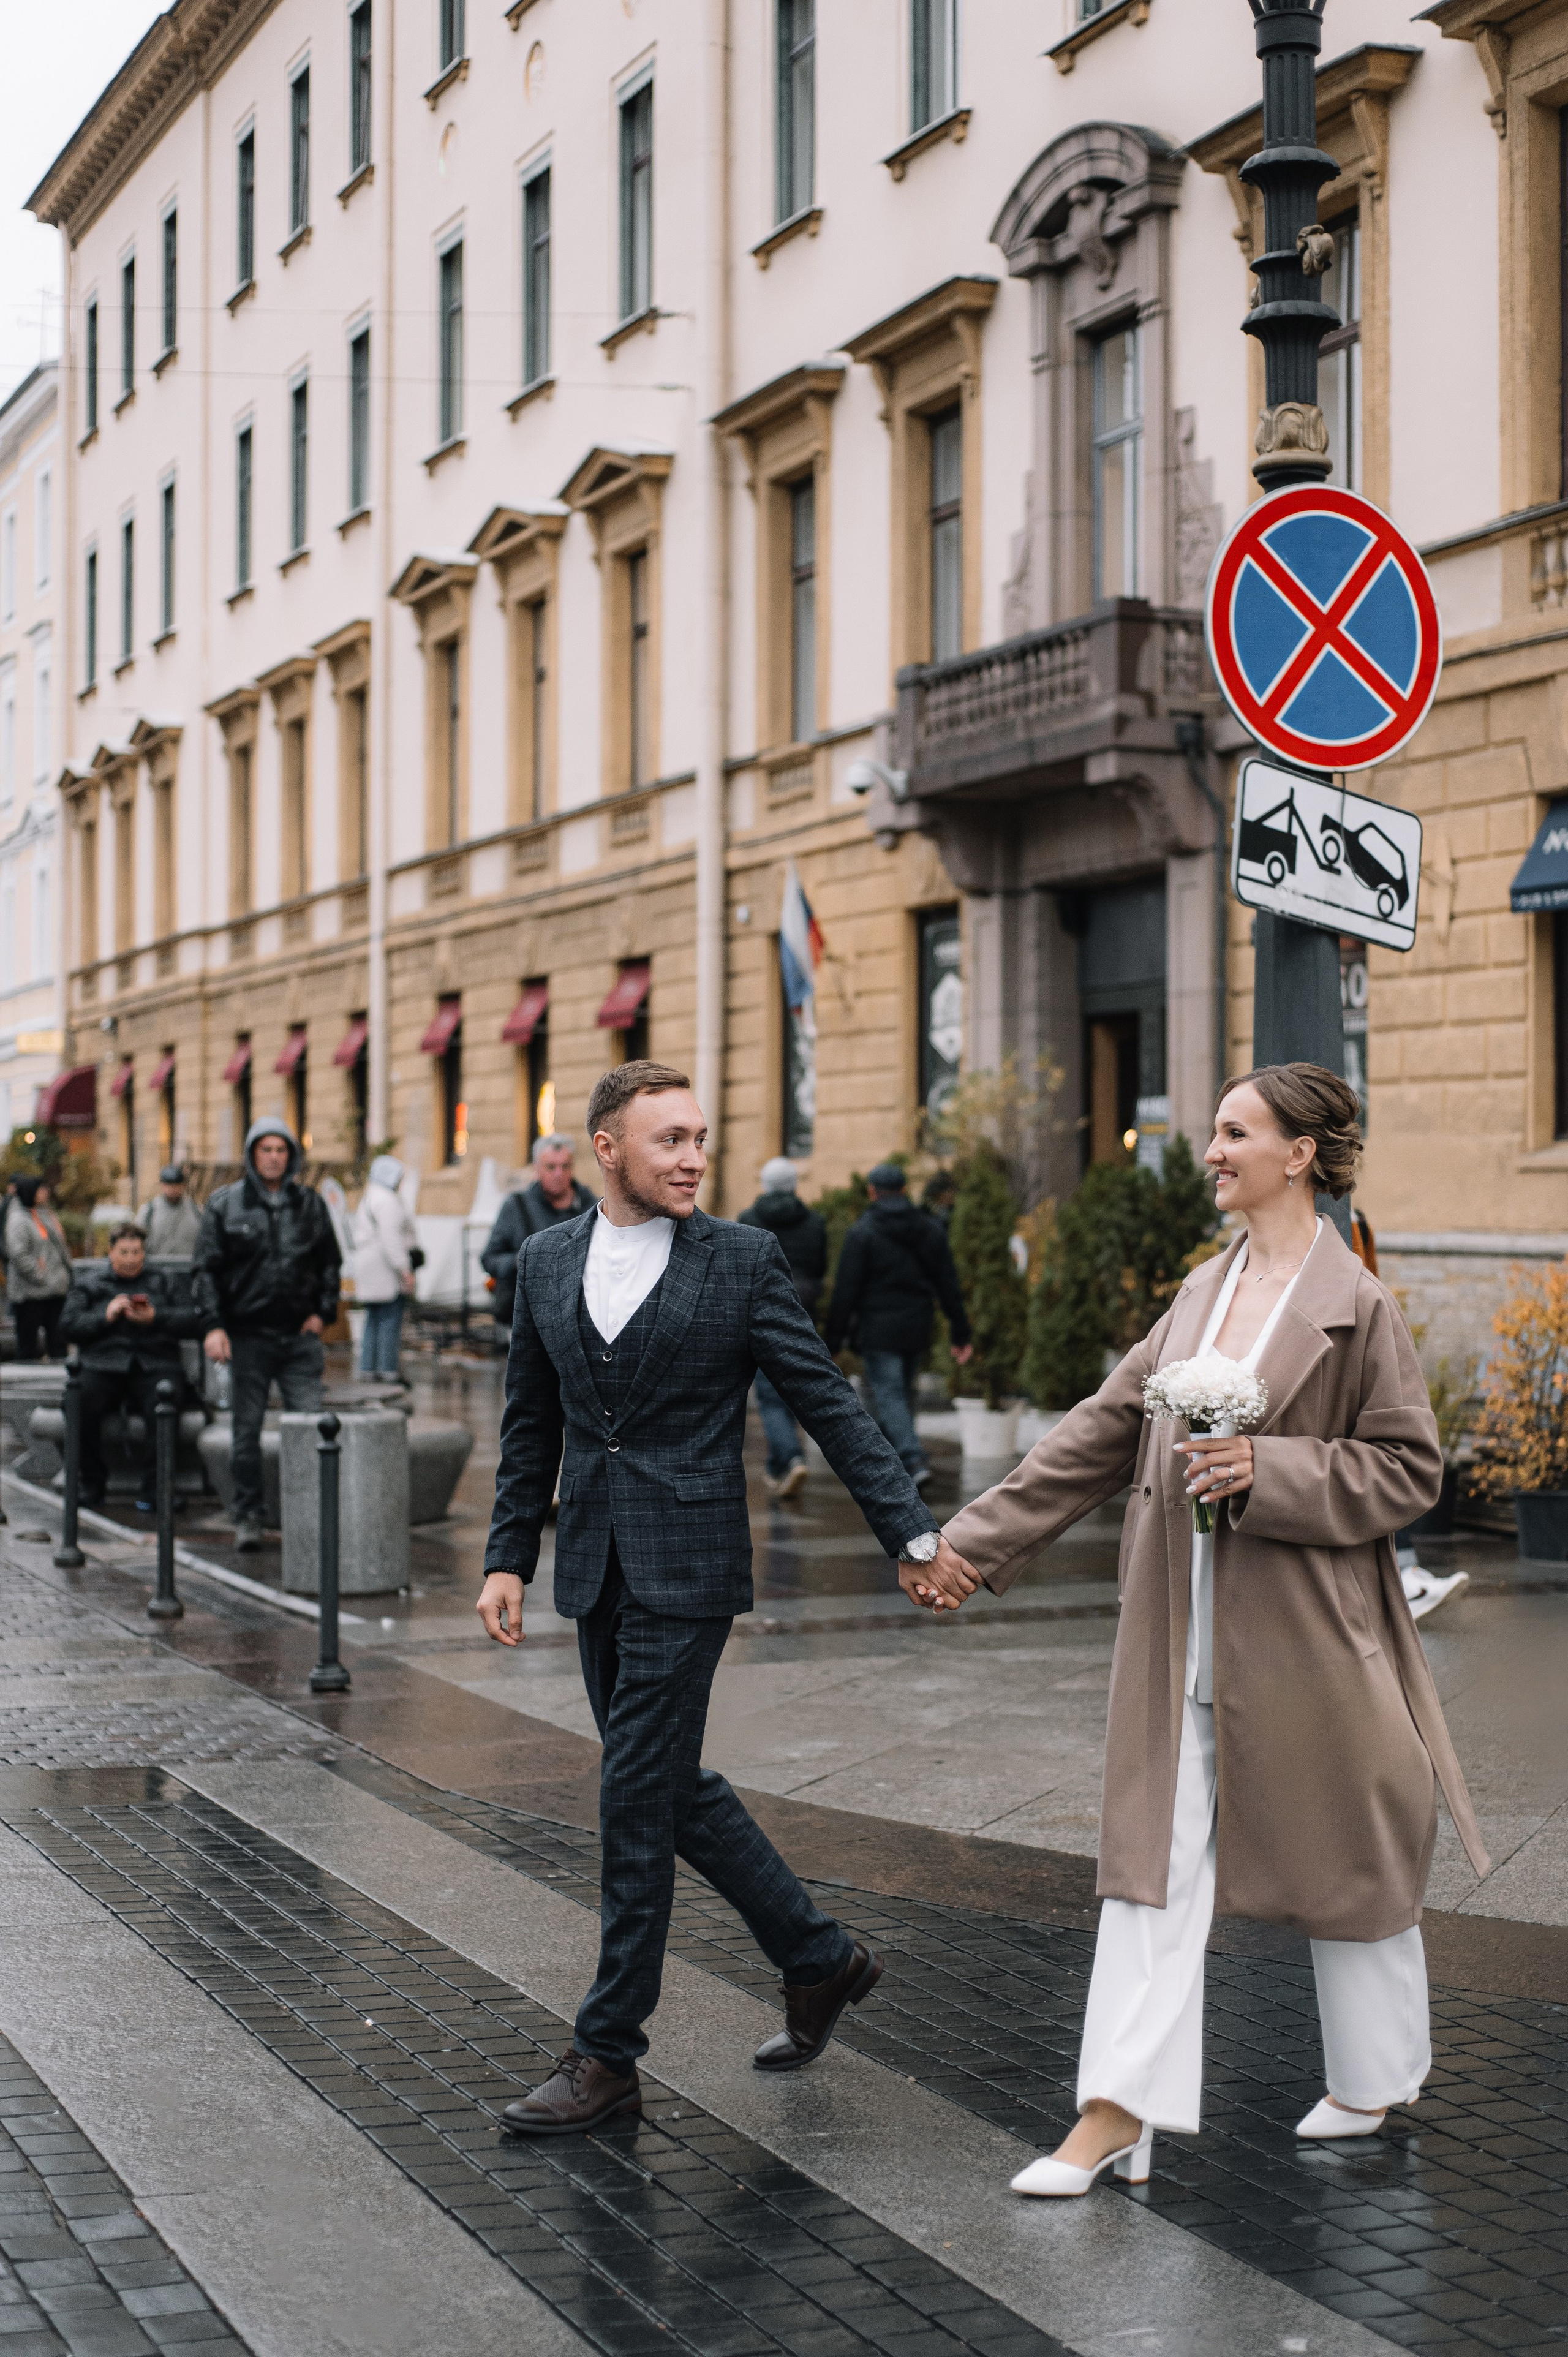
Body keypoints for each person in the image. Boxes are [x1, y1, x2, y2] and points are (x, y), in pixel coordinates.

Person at [917, 1064, 1489, 2197]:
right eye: (1214, 1131)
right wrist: (970, 1544)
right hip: (1177, 1632)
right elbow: (1099, 1430)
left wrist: (1267, 1469)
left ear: (1302, 1153)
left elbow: (1409, 1465)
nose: (1212, 1150)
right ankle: (1112, 2113)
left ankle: (1379, 2075)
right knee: (1150, 1871)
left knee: (1355, 1862)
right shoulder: (1198, 1289)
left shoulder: (1357, 1304)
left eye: (1236, 1131)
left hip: (1309, 1640)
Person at [475, 1060, 941, 2135]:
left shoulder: (741, 1259)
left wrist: (909, 1530)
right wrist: (510, 1554)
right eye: (669, 1139)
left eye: (698, 1138)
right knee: (667, 1782)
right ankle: (820, 1958)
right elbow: (529, 1421)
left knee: (633, 1795)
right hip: (594, 1560)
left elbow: (823, 1396)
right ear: (607, 1147)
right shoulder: (546, 1262)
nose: (693, 1157)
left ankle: (607, 2053)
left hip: (688, 1566)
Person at [192, 1120, 342, 1552]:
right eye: (266, 1149)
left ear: (291, 1156)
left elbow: (330, 1262)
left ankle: (312, 1518)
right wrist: (214, 1326)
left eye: (281, 1149)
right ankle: (249, 1516)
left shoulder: (309, 1204)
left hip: (299, 1339)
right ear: (252, 1155)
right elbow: (206, 1271)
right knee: (246, 1433)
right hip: (248, 1337)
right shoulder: (226, 1205)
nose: (274, 1156)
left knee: (312, 1429)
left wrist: (322, 1313)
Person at [824, 1161, 973, 1489]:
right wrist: (960, 1332)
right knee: (901, 1394)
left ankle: (912, 1458)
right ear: (905, 1190)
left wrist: (831, 1343)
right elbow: (948, 1283)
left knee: (891, 1395)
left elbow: (846, 1291)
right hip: (918, 1326)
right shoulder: (930, 1228)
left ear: (872, 1192)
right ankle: (891, 1461)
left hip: (879, 1330)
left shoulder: (862, 1232)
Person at [59, 1223, 207, 1510]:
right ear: (111, 1253)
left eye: (137, 1252)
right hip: (103, 1366)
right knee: (78, 1401)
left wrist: (156, 1317)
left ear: (144, 1253)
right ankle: (91, 1483)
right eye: (124, 1252)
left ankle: (157, 1489)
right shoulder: (90, 1284)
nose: (130, 1259)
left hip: (155, 1365)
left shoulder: (164, 1281)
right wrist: (106, 1315)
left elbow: (194, 1321)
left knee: (165, 1402)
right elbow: (68, 1327)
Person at [738, 1157, 828, 1498]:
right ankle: (778, 1464)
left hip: (761, 1307)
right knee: (794, 1384)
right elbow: (820, 1266)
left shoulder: (749, 1220)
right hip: (803, 1307)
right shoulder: (814, 1222)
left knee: (770, 1394)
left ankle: (790, 1457)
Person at [481, 1134, 597, 1326]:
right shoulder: (516, 1207)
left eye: (565, 1166)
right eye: (551, 1167)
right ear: (537, 1169)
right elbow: (489, 1259)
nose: (559, 1173)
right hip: (527, 1320)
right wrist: (521, 1261)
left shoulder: (591, 1207)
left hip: (580, 1318)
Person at [352, 1155, 419, 1380]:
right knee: (390, 1320)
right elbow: (392, 1240)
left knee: (373, 1320)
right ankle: (388, 1370)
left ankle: (368, 1368)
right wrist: (405, 1269)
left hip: (368, 1266)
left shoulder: (369, 1196)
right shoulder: (388, 1200)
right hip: (384, 1269)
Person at [5, 1176, 74, 1362]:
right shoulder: (19, 1219)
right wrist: (40, 1275)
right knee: (28, 1344)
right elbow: (19, 1255)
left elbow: (59, 1246)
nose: (45, 1193)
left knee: (58, 1341)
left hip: (54, 1289)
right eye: (40, 1189)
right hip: (30, 1293)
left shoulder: (44, 1213)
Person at [135, 1165, 203, 1258]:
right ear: (162, 1186)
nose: (173, 1189)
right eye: (169, 1186)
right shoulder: (149, 1211)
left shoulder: (196, 1210)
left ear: (183, 1186)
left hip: (188, 1267)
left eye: (176, 1185)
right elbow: (137, 1242)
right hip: (156, 1267)